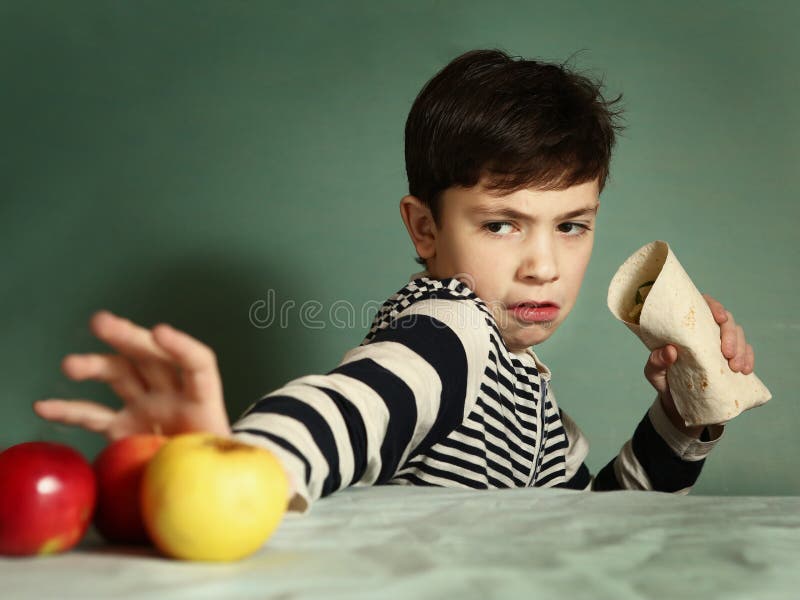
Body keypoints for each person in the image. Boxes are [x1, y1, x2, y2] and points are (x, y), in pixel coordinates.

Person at [34, 49, 755, 513]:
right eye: (501, 225)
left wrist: (682, 417)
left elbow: (594, 528)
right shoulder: (450, 331)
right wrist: (237, 461)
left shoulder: (525, 387)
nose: (544, 265)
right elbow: (353, 408)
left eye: (571, 225)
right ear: (425, 228)